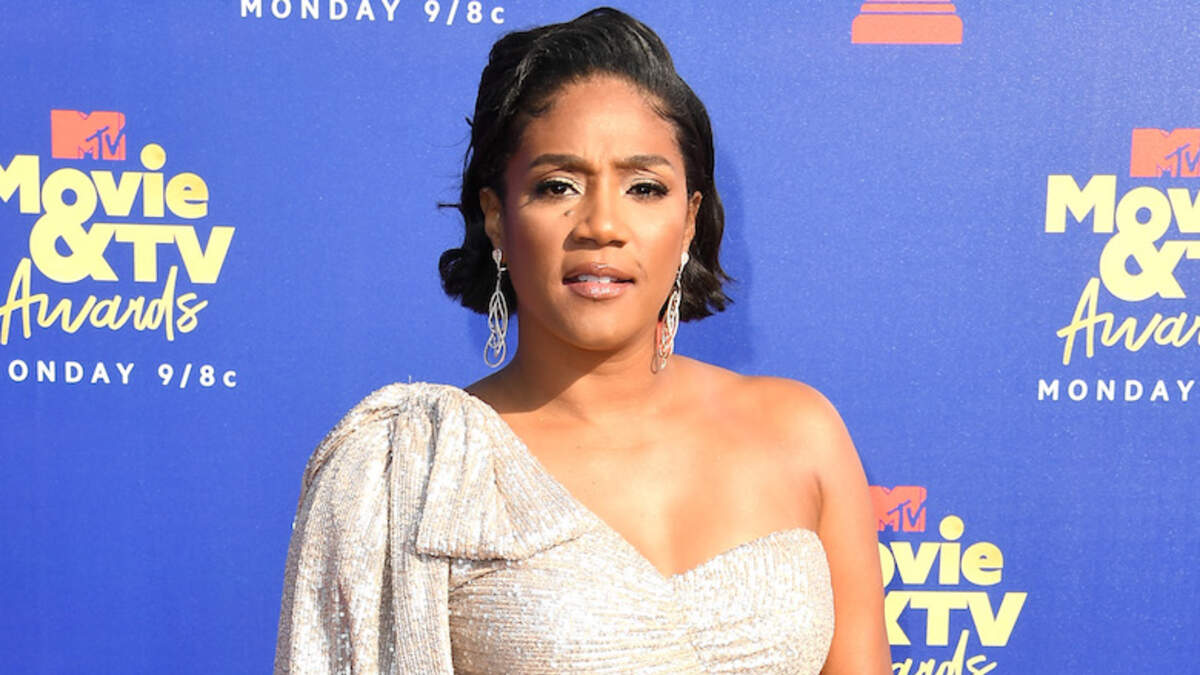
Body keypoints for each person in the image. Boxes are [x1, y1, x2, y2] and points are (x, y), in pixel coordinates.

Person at [274, 7, 889, 674]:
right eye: (557, 186)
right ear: (496, 218)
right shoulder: (408, 469)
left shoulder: (801, 433)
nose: (601, 224)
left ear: (689, 220)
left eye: (644, 188)